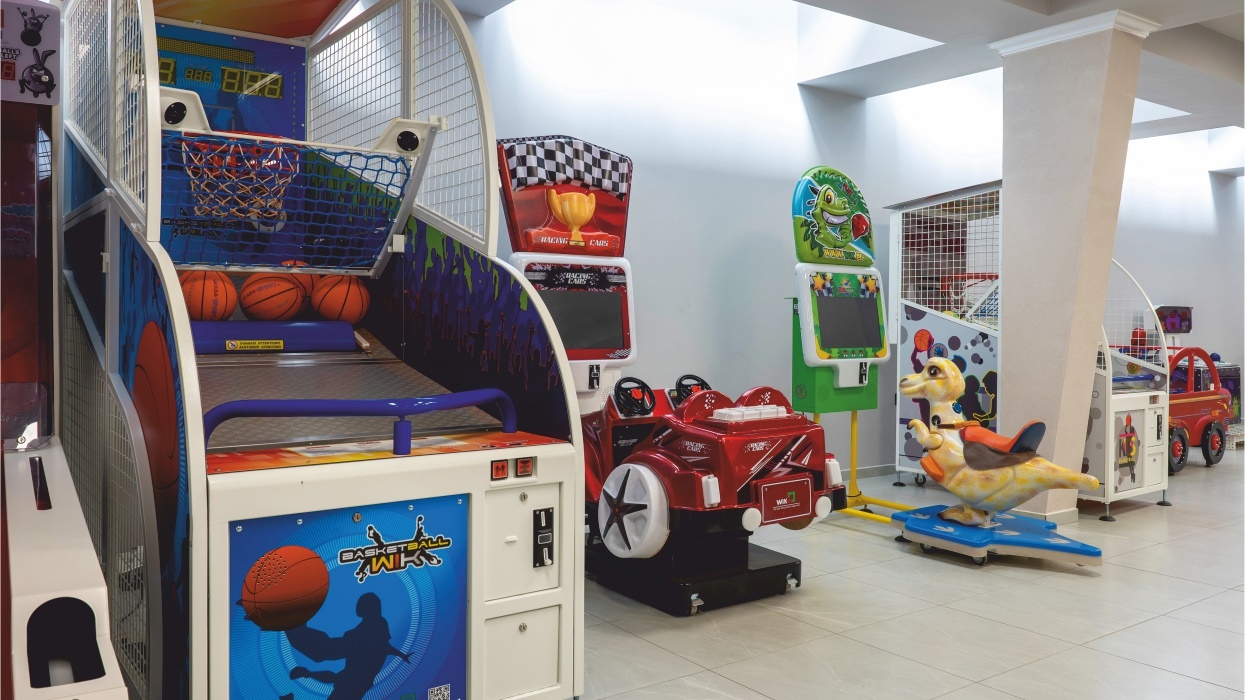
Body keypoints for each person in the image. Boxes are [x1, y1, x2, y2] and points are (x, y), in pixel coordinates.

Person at [286, 593, 410, 699]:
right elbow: (385, 646)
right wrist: (401, 655)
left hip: (356, 679)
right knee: (329, 665)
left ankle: (294, 626)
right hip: (357, 678)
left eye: (362, 604)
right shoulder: (377, 625)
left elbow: (383, 646)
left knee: (322, 655)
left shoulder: (371, 628)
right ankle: (296, 629)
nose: (358, 607)